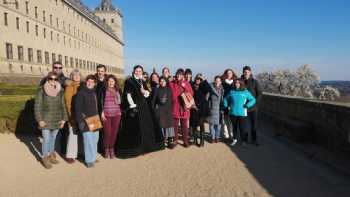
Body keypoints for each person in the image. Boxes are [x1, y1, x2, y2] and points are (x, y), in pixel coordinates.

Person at [116, 65, 164, 157]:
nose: (138, 72)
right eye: (137, 70)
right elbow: (128, 95)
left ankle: (147, 147)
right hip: (135, 107)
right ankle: (137, 149)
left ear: (142, 72)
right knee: (136, 129)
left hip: (144, 107)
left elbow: (147, 93)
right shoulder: (129, 81)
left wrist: (144, 92)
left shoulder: (142, 81)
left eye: (140, 71)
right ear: (134, 71)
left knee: (146, 127)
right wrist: (133, 105)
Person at [35, 72, 68, 169]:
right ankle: (44, 158)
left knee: (53, 138)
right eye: (51, 79)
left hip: (57, 119)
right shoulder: (42, 90)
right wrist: (39, 119)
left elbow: (63, 106)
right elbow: (37, 105)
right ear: (47, 79)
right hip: (45, 119)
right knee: (46, 139)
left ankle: (51, 155)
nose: (53, 81)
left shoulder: (60, 90)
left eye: (55, 79)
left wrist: (64, 119)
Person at [75, 75, 100, 168]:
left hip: (94, 119)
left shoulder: (94, 93)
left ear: (94, 83)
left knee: (94, 140)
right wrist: (80, 122)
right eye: (88, 81)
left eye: (92, 82)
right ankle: (89, 160)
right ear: (86, 82)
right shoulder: (81, 93)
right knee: (88, 141)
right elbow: (77, 109)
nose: (90, 83)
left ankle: (93, 157)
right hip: (85, 120)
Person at [224, 79, 256, 147]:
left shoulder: (245, 92)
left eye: (238, 83)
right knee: (234, 127)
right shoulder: (231, 92)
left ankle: (243, 141)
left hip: (242, 113)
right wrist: (226, 106)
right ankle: (234, 140)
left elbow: (253, 99)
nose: (236, 84)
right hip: (233, 113)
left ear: (241, 84)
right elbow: (225, 99)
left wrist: (247, 105)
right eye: (235, 83)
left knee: (242, 128)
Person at [169, 69, 194, 147]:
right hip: (175, 107)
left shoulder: (186, 83)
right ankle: (175, 140)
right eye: (177, 74)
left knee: (184, 126)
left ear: (183, 76)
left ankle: (185, 141)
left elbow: (191, 93)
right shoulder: (171, 83)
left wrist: (184, 85)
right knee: (175, 126)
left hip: (184, 107)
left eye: (180, 74)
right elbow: (169, 93)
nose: (178, 75)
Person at [99, 74, 122, 159]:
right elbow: (100, 101)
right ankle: (106, 149)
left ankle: (111, 148)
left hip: (117, 114)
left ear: (115, 82)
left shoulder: (118, 90)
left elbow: (120, 102)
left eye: (112, 81)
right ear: (107, 82)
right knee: (107, 133)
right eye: (109, 81)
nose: (111, 82)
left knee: (114, 133)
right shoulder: (103, 90)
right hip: (106, 115)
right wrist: (101, 112)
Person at [64, 69, 82, 164]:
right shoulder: (69, 86)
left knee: (81, 135)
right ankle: (70, 155)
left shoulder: (82, 85)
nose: (76, 76)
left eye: (78, 75)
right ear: (71, 76)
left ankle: (79, 153)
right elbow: (68, 103)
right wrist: (71, 116)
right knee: (73, 134)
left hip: (82, 115)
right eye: (74, 75)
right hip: (73, 115)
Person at [152, 77, 175, 149]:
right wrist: (153, 110)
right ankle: (161, 143)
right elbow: (153, 101)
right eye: (161, 81)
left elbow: (172, 100)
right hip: (160, 111)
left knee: (169, 126)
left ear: (166, 81)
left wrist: (171, 109)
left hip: (168, 111)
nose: (162, 82)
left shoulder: (169, 90)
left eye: (163, 81)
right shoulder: (157, 90)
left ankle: (169, 142)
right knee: (161, 127)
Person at [242, 66, 262, 146]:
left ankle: (254, 139)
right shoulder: (241, 81)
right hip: (243, 107)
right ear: (243, 72)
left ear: (250, 72)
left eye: (247, 72)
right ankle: (245, 139)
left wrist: (256, 102)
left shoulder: (255, 82)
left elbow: (259, 93)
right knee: (245, 125)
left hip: (253, 107)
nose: (246, 73)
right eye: (245, 72)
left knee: (254, 125)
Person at [190, 73, 210, 147]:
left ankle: (202, 141)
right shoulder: (192, 85)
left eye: (200, 79)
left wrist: (204, 80)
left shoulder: (203, 86)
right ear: (195, 79)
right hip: (194, 107)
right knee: (194, 125)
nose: (198, 80)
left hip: (202, 108)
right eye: (197, 79)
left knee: (201, 124)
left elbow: (209, 89)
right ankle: (195, 140)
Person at [221, 69, 237, 140]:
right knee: (224, 120)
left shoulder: (235, 82)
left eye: (230, 73)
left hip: (233, 103)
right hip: (224, 102)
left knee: (231, 121)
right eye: (227, 73)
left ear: (232, 74)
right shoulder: (223, 82)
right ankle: (226, 135)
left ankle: (232, 135)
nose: (229, 74)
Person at [208, 76, 224, 143]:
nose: (217, 82)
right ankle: (212, 137)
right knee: (211, 124)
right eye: (216, 80)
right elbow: (207, 98)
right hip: (212, 108)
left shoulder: (222, 90)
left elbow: (223, 99)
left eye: (219, 80)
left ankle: (217, 137)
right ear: (214, 81)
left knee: (219, 125)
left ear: (220, 82)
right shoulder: (210, 88)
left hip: (219, 108)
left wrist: (223, 108)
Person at [95, 64, 107, 153]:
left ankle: (103, 148)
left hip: (105, 109)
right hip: (94, 109)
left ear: (104, 72)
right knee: (95, 129)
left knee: (104, 130)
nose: (100, 73)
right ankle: (96, 148)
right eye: (99, 71)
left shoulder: (108, 81)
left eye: (102, 71)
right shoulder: (93, 81)